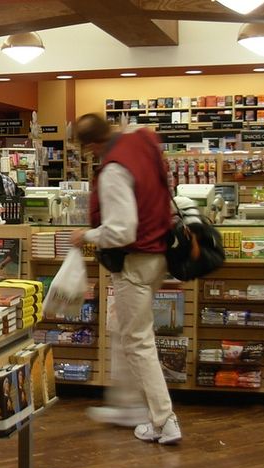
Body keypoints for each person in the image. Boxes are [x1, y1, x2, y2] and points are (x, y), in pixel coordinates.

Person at [70, 113, 181, 445]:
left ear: (91, 145)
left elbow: (122, 230)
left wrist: (87, 235)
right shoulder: (142, 140)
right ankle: (129, 405)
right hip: (158, 255)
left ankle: (164, 420)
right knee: (125, 333)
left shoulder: (113, 170)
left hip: (134, 262)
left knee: (137, 341)